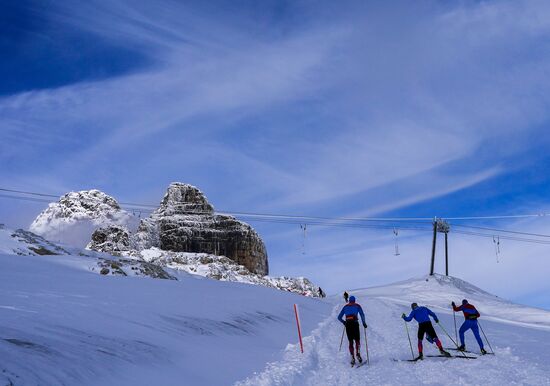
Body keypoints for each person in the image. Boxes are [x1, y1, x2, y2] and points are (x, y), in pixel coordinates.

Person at [337, 295, 367, 366]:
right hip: (355, 324)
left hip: (348, 325)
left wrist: (344, 322)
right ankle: (358, 354)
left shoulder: (345, 307)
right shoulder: (357, 306)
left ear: (349, 300)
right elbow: (362, 314)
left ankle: (352, 357)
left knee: (350, 341)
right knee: (357, 341)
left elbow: (339, 317)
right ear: (354, 300)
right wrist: (364, 323)